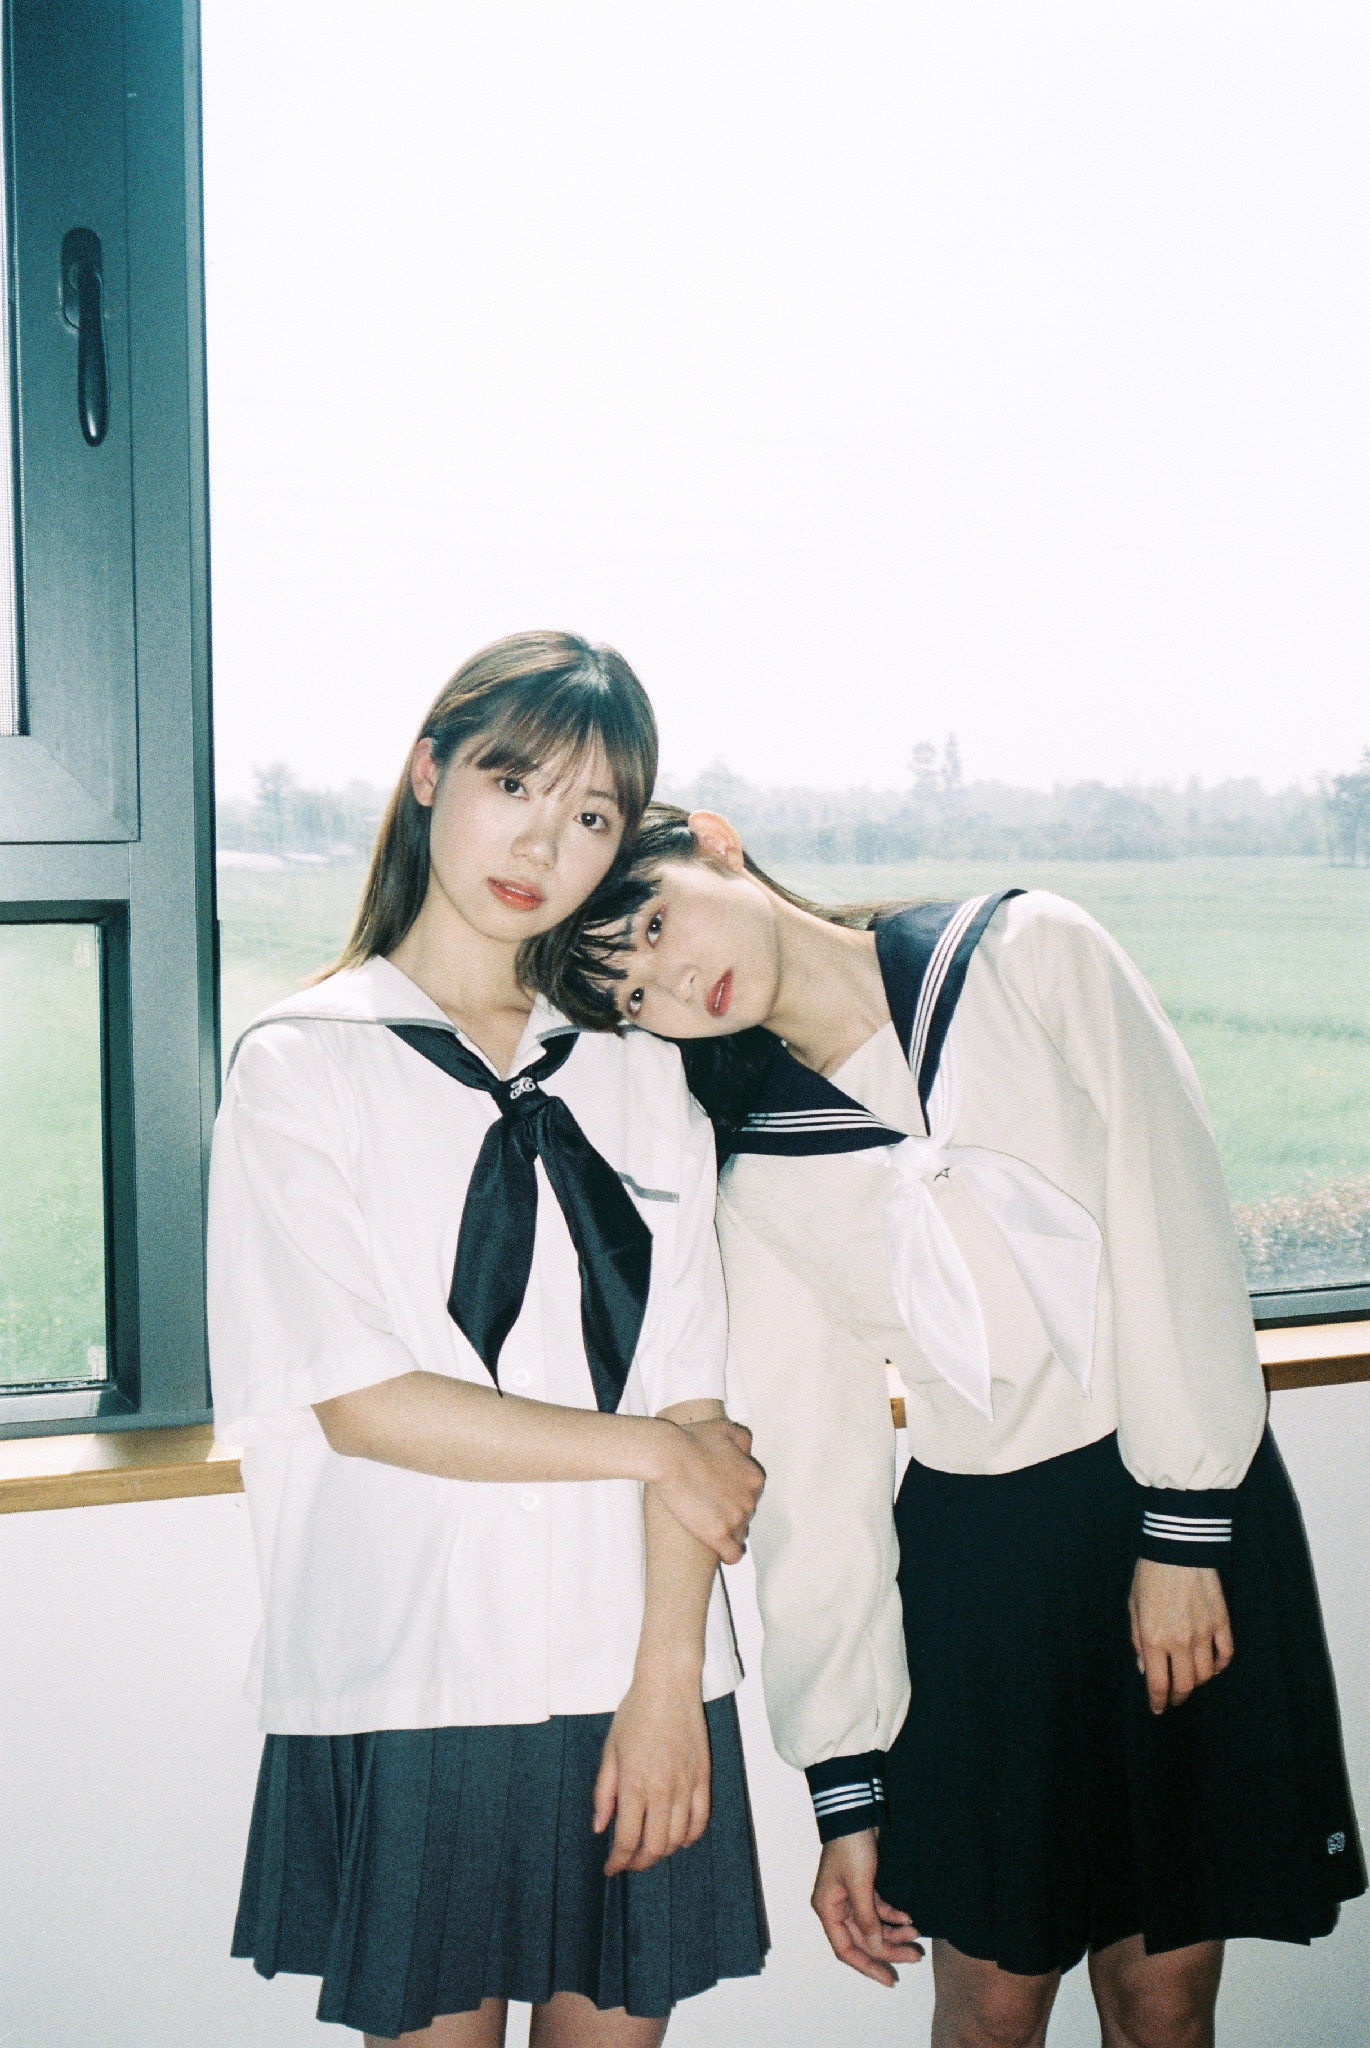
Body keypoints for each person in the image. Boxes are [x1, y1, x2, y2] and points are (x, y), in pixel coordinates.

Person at [534, 800, 1366, 2048]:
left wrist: (1183, 1529)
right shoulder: (756, 1175)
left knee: (1164, 2001)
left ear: (714, 841)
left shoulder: (1027, 953)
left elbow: (1173, 1211)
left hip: (1169, 1497)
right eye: (632, 996)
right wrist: (844, 1782)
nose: (672, 985)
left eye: (652, 926)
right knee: (988, 2010)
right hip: (980, 1569)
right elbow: (814, 1480)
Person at [207, 642, 769, 2048]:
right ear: (426, 773)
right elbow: (363, 1401)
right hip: (416, 1668)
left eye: (590, 814)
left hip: (632, 1671)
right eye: (511, 784)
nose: (540, 844)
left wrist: (666, 1680)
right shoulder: (300, 1062)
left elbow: (691, 1398)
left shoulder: (642, 1072)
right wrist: (654, 1451)